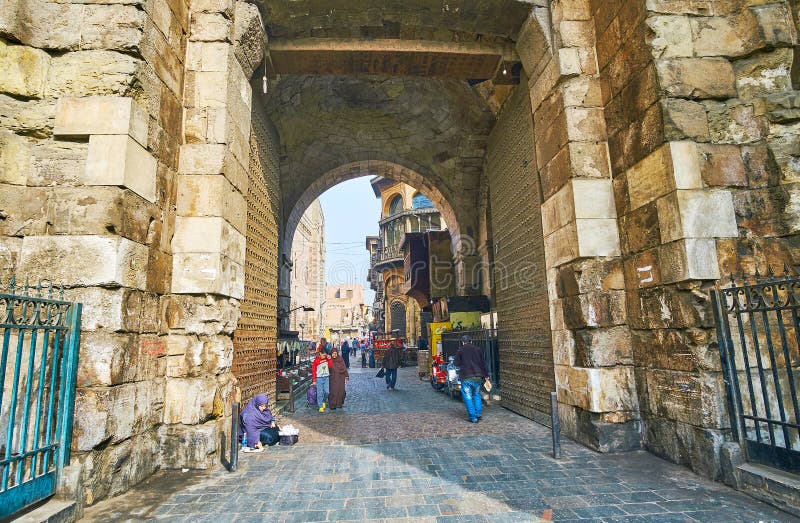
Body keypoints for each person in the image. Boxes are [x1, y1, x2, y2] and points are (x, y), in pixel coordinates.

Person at [454, 335, 490, 423]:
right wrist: (486, 375)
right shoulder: (478, 349)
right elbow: (483, 363)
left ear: (463, 342)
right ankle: (478, 414)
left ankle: (473, 417)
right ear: (471, 341)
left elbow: (456, 363)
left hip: (466, 376)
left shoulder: (460, 350)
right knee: (477, 394)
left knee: (468, 397)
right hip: (478, 376)